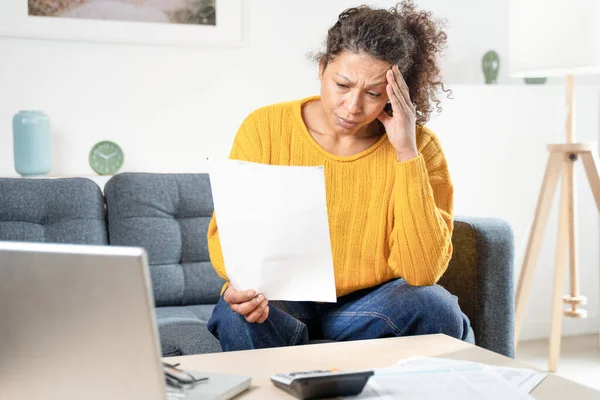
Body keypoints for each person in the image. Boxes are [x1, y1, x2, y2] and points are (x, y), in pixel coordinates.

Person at [206, 1, 473, 351]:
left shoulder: (420, 147)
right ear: (322, 68)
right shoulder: (265, 128)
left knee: (437, 307)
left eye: (374, 94)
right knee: (239, 314)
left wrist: (406, 152)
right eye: (342, 85)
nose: (352, 106)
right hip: (282, 300)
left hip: (369, 307)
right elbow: (229, 240)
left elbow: (422, 271)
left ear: (397, 95)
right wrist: (245, 287)